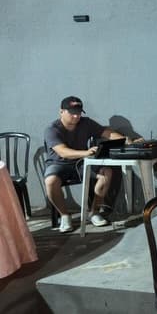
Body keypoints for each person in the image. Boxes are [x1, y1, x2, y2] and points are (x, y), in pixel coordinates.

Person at [44, 96, 130, 233]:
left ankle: (94, 212)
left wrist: (126, 140)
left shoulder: (86, 123)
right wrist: (86, 152)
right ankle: (65, 216)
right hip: (59, 164)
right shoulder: (52, 129)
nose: (76, 116)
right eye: (72, 112)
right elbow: (62, 152)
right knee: (50, 181)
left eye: (78, 112)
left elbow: (107, 133)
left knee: (106, 172)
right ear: (61, 112)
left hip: (81, 163)